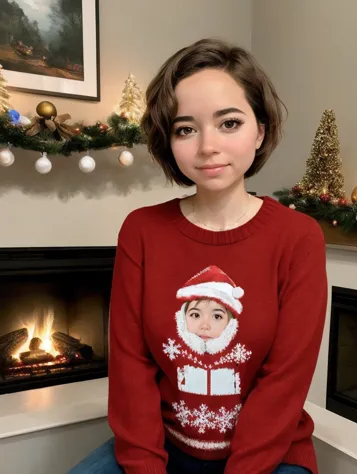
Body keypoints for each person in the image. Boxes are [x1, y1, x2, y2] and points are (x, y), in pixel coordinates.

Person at [68, 37, 327, 474]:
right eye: (185, 128)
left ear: (260, 130)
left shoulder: (299, 237)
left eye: (229, 123)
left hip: (268, 455)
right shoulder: (142, 230)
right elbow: (130, 366)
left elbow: (285, 382)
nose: (207, 146)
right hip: (162, 449)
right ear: (169, 141)